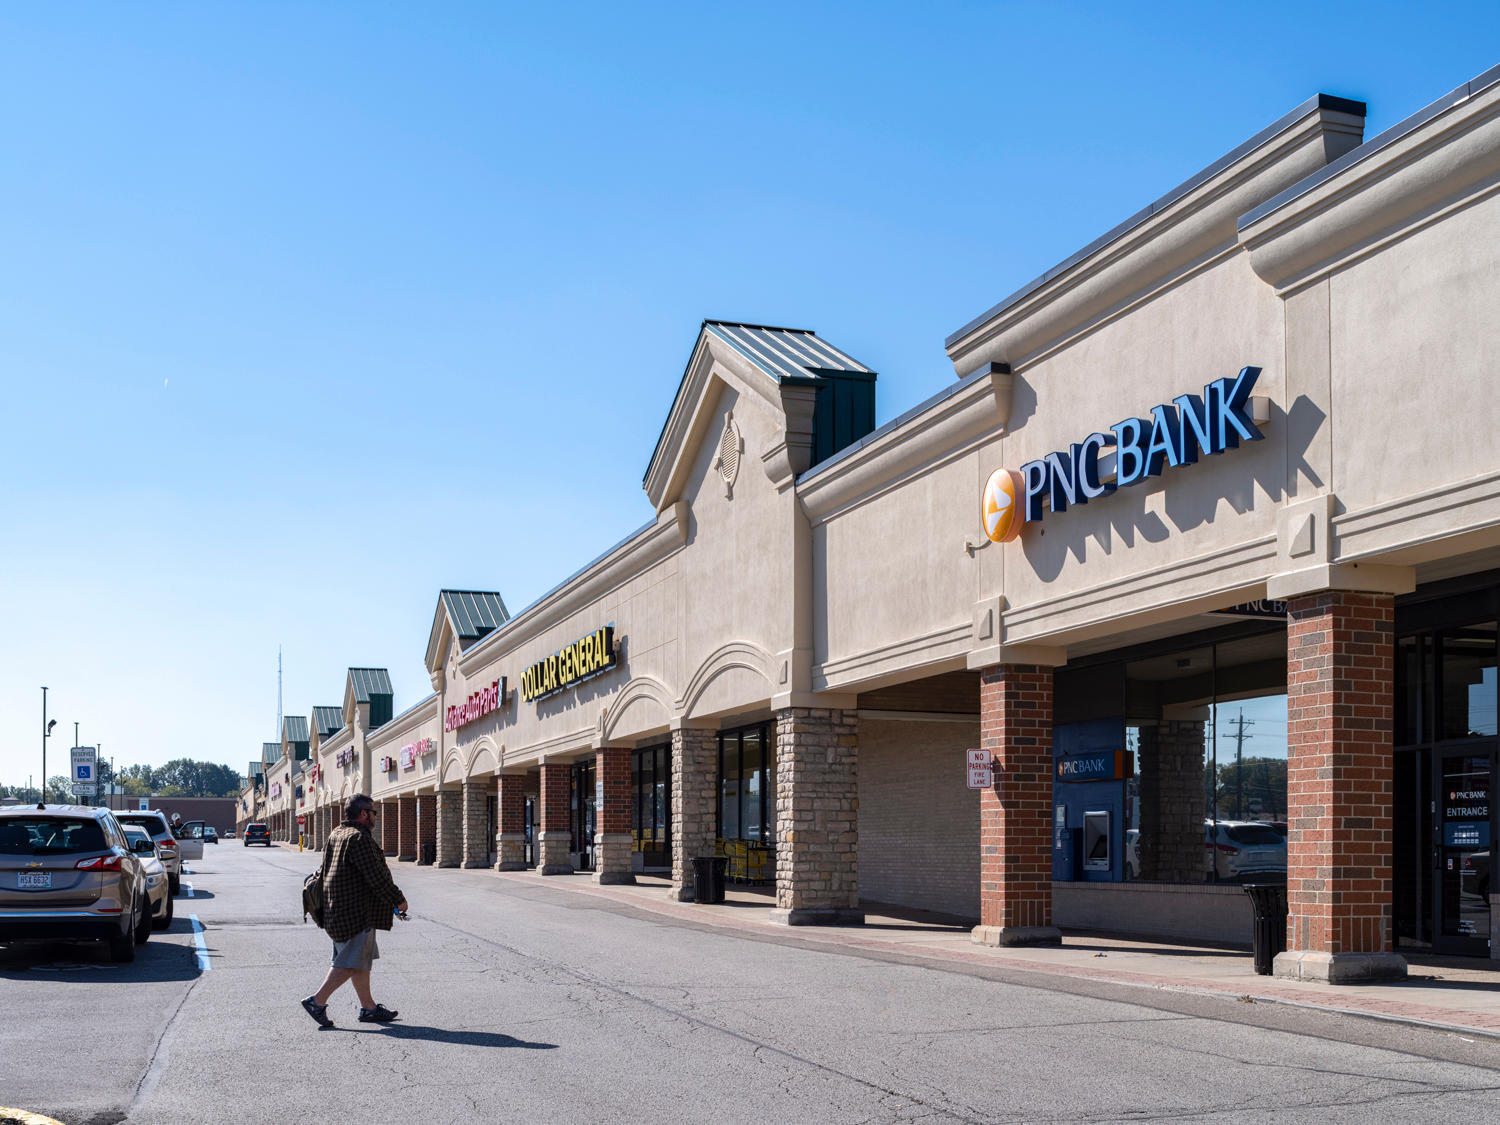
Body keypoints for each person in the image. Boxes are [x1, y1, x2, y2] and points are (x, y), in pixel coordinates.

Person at [300, 794, 407, 1027]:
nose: (375, 816)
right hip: (356, 913)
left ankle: (368, 1008)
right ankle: (316, 1002)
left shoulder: (336, 834)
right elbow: (376, 878)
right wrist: (398, 900)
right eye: (373, 812)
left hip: (335, 910)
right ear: (363, 814)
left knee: (360, 960)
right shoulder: (359, 838)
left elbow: (324, 870)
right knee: (350, 962)